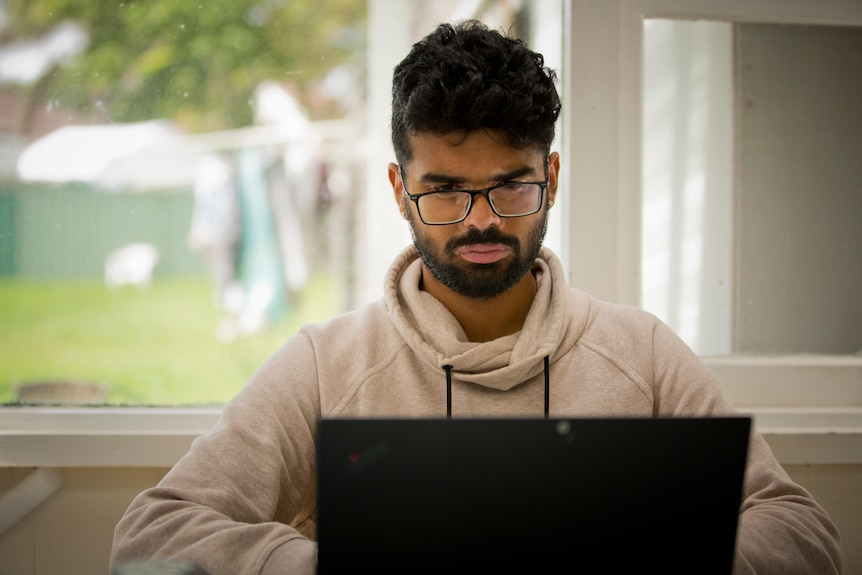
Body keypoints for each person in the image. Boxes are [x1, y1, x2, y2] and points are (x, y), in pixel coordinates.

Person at [111, 20, 841, 575]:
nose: (482, 218)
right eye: (446, 189)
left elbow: (802, 527)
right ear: (400, 190)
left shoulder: (641, 352)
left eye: (510, 184)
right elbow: (153, 531)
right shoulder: (328, 364)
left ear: (550, 177)